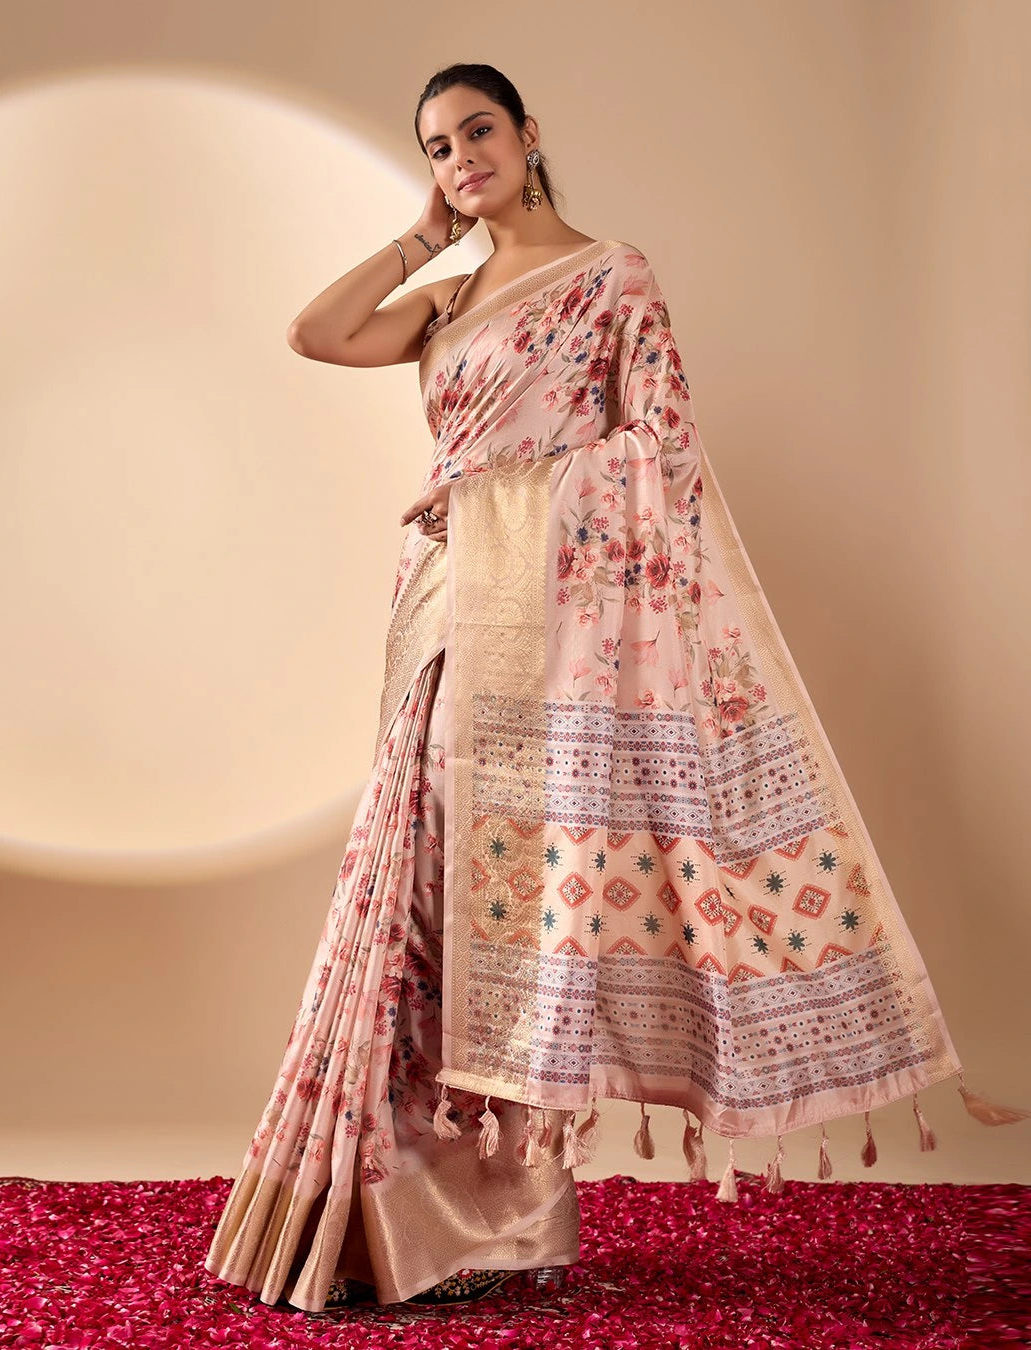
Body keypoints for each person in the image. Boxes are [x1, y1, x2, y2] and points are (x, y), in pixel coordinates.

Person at [203, 63, 1027, 1315]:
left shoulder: (611, 278)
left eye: (477, 130)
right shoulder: (450, 295)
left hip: (553, 637)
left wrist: (494, 497)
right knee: (418, 904)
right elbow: (316, 334)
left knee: (521, 919)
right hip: (442, 626)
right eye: (435, 147)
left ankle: (495, 1219)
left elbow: (662, 455)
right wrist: (425, 235)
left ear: (531, 134)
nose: (460, 155)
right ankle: (385, 1210)